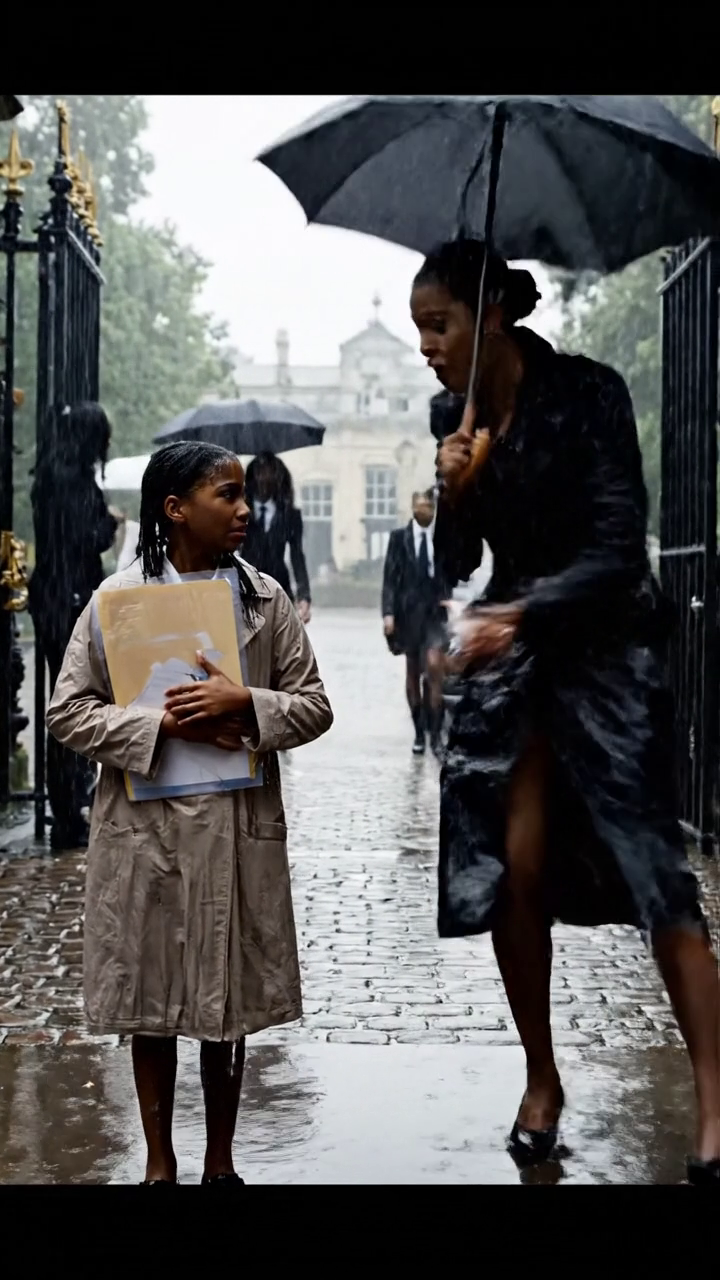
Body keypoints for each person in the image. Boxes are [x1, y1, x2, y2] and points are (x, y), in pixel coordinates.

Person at [410, 238, 720, 1185]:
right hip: (518, 662)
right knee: (515, 867)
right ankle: (541, 1078)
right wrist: (455, 494)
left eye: (439, 325)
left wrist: (521, 612)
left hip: (606, 646)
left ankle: (716, 1102)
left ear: (493, 316)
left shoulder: (590, 393)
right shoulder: (450, 411)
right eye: (418, 328)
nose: (425, 345)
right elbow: (456, 564)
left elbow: (622, 546)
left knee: (650, 864)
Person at [46, 441, 333, 1185]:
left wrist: (249, 704)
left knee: (225, 999)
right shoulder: (117, 603)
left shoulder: (264, 601)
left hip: (238, 828)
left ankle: (220, 1161)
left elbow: (314, 706)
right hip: (145, 828)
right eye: (226, 496)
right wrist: (155, 726)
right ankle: (159, 1162)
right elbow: (67, 711)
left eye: (243, 496)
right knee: (150, 994)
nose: (244, 510)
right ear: (175, 509)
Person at [29, 402, 118, 851]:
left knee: (66, 699)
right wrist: (111, 522)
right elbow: (90, 536)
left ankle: (68, 800)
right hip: (70, 598)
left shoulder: (49, 474)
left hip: (52, 595)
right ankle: (68, 808)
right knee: (74, 701)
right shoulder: (73, 480)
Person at [382, 489, 449, 756]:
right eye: (421, 506)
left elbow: (452, 571)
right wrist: (388, 614)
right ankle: (419, 733)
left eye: (429, 507)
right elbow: (390, 578)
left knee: (434, 668)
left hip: (436, 613)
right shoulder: (399, 539)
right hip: (408, 614)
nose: (425, 511)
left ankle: (435, 732)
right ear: (412, 507)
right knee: (412, 672)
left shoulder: (443, 537)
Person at [243, 452, 312, 624]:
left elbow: (297, 556)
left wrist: (304, 596)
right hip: (245, 586)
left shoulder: (290, 515)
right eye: (259, 472)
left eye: (269, 472)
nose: (264, 479)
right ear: (252, 477)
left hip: (279, 585)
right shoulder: (241, 512)